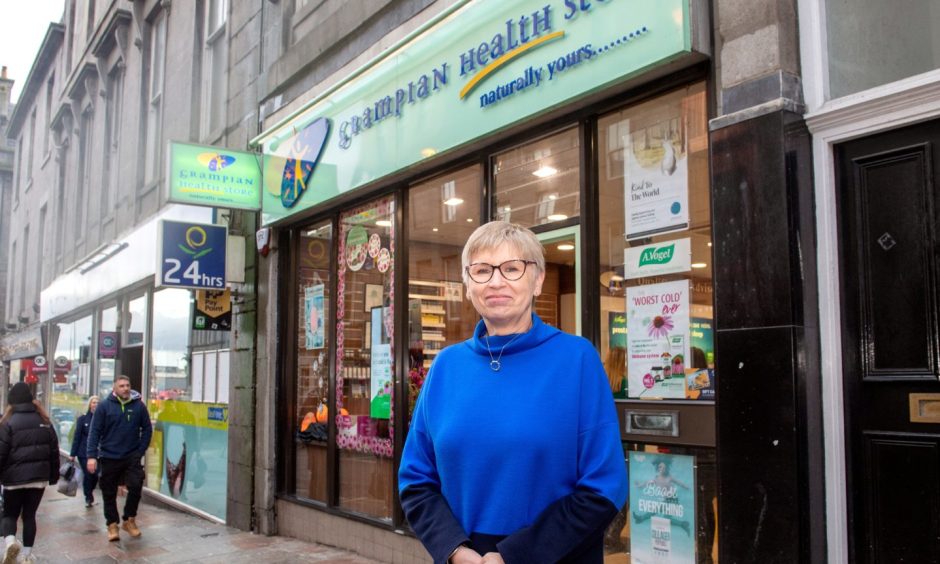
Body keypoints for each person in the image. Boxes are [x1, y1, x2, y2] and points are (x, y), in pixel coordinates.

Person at [399, 221, 628, 564]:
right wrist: (455, 550)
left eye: (511, 268)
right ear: (467, 285)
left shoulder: (576, 360)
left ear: (537, 280)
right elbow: (416, 480)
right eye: (482, 270)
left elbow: (604, 487)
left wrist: (513, 556)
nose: (496, 281)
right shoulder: (446, 366)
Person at [86, 375, 152, 542]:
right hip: (109, 456)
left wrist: (140, 450)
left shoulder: (138, 406)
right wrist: (91, 456)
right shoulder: (104, 407)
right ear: (114, 388)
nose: (125, 388)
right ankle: (112, 524)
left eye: (128, 385)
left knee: (136, 486)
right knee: (108, 492)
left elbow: (147, 429)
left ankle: (129, 519)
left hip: (132, 456)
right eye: (122, 386)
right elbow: (94, 432)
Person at [0, 382, 60, 563]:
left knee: (10, 514)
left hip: (13, 479)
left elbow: (1, 453)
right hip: (38, 479)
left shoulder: (7, 423)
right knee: (29, 516)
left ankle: (10, 542)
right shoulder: (45, 422)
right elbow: (54, 452)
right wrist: (53, 476)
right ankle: (26, 556)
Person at [69, 395, 100, 507]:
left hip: (97, 453)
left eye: (97, 402)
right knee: (88, 474)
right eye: (93, 402)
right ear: (89, 405)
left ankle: (89, 491)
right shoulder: (82, 419)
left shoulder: (102, 419)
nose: (95, 404)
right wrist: (72, 454)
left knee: (95, 475)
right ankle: (88, 497)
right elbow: (77, 437)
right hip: (83, 453)